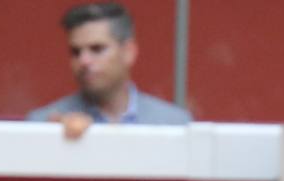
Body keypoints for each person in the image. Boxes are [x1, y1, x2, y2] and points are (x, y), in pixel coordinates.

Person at [28, 3, 190, 138]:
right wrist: (54, 143)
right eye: (76, 52)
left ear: (128, 52)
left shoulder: (174, 125)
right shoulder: (45, 125)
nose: (83, 61)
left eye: (97, 49)